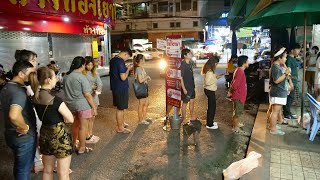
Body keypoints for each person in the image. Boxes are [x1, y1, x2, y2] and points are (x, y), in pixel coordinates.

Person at [29, 67, 74, 180]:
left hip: (45, 134)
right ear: (48, 80)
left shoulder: (34, 97)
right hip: (60, 137)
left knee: (47, 171)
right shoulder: (56, 100)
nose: (56, 79)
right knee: (63, 173)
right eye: (54, 76)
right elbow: (70, 119)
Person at [0, 60, 36, 180]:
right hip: (23, 138)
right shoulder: (18, 92)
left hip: (10, 134)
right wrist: (25, 127)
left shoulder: (7, 87)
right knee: (24, 170)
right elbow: (14, 115)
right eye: (31, 73)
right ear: (21, 74)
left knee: (20, 167)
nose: (33, 76)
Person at [63, 56, 97, 154]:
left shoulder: (66, 76)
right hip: (82, 106)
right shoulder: (81, 77)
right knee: (83, 126)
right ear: (82, 65)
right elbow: (87, 94)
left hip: (70, 105)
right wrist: (94, 107)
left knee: (75, 125)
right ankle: (82, 147)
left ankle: (74, 143)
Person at [110, 48, 134, 133]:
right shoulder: (120, 62)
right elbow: (123, 77)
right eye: (127, 57)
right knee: (120, 108)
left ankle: (122, 123)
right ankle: (120, 128)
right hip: (120, 87)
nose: (127, 59)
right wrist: (128, 69)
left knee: (121, 107)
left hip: (115, 87)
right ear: (125, 54)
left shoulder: (113, 60)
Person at [269, 47, 291, 135]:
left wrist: (286, 71)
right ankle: (273, 129)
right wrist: (285, 73)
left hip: (279, 92)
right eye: (285, 57)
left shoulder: (277, 66)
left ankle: (272, 126)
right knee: (275, 112)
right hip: (277, 92)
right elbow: (276, 80)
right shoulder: (275, 67)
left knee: (275, 111)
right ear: (279, 58)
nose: (286, 59)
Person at [228, 55, 249, 134]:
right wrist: (231, 91)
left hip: (239, 95)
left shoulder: (239, 70)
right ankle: (235, 127)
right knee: (237, 113)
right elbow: (235, 84)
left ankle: (236, 124)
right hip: (239, 96)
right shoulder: (240, 71)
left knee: (238, 111)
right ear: (244, 63)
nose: (248, 62)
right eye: (247, 61)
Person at [83, 56, 102, 143]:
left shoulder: (95, 73)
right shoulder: (82, 74)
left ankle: (90, 134)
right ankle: (87, 136)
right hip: (85, 98)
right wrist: (92, 88)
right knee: (87, 118)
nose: (90, 67)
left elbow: (100, 84)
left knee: (92, 117)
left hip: (94, 97)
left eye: (91, 65)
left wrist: (97, 91)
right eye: (88, 65)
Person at [202, 56, 222, 129]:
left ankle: (210, 121)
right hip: (209, 90)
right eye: (216, 63)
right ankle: (209, 124)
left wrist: (220, 76)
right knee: (212, 107)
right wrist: (215, 80)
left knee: (212, 107)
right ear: (213, 63)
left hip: (209, 90)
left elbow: (213, 78)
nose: (217, 65)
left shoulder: (210, 70)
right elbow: (208, 82)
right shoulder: (209, 71)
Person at [282, 43, 301, 121]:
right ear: (292, 50)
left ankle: (288, 112)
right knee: (289, 97)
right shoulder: (289, 59)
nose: (299, 51)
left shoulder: (293, 58)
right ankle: (286, 113)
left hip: (294, 81)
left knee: (291, 97)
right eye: (298, 49)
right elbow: (288, 71)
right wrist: (291, 81)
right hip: (291, 82)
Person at [134, 54, 152, 124]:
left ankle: (144, 117)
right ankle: (141, 120)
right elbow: (140, 80)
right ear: (141, 60)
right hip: (141, 89)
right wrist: (147, 77)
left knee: (146, 103)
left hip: (144, 87)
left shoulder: (141, 68)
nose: (145, 60)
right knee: (141, 104)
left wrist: (147, 78)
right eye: (144, 59)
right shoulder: (138, 69)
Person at [180, 48, 197, 125]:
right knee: (185, 103)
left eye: (191, 53)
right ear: (185, 56)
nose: (191, 54)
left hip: (191, 86)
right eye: (189, 54)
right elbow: (181, 78)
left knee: (192, 102)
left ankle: (192, 116)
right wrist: (184, 89)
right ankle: (184, 119)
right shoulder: (182, 65)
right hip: (186, 88)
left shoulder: (190, 63)